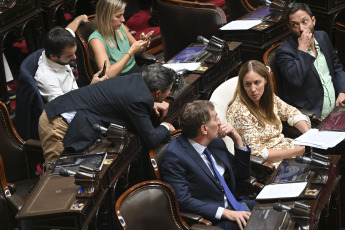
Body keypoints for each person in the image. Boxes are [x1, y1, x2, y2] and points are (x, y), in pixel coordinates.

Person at [38, 63, 175, 163]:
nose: (169, 93)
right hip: (57, 122)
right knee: (56, 176)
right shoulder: (139, 99)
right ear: (158, 93)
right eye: (168, 90)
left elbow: (127, 100)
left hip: (71, 112)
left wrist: (152, 103)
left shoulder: (138, 80)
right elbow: (151, 140)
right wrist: (166, 127)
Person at [161, 100, 256, 230]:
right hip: (215, 220)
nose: (219, 122)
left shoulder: (215, 141)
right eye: (215, 118)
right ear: (204, 129)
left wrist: (237, 139)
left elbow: (243, 174)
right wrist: (226, 213)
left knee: (277, 208)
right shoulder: (175, 156)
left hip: (237, 203)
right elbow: (183, 201)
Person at [227, 60, 310, 164]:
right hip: (269, 164)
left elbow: (291, 113)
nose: (253, 89)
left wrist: (308, 135)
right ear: (242, 85)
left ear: (266, 80)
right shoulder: (240, 112)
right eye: (247, 84)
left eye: (257, 82)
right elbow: (257, 153)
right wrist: (295, 151)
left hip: (287, 149)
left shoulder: (267, 96)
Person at [275, 3, 345, 118]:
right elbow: (296, 80)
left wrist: (342, 92)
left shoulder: (322, 37)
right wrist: (302, 49)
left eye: (304, 22)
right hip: (313, 116)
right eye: (295, 25)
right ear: (289, 28)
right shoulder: (283, 52)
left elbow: (337, 68)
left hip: (338, 109)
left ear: (313, 20)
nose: (301, 29)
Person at [35, 14, 108, 103]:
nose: (75, 57)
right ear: (53, 56)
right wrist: (90, 89)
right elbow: (64, 108)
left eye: (74, 53)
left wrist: (80, 18)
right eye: (69, 55)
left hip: (79, 95)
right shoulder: (46, 78)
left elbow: (70, 29)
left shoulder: (62, 44)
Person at [88, 0, 151, 78]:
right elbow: (107, 74)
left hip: (136, 71)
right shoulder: (96, 40)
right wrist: (131, 52)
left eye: (123, 15)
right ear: (105, 16)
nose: (123, 20)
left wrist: (142, 44)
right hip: (120, 80)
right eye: (118, 16)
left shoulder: (120, 27)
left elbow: (138, 52)